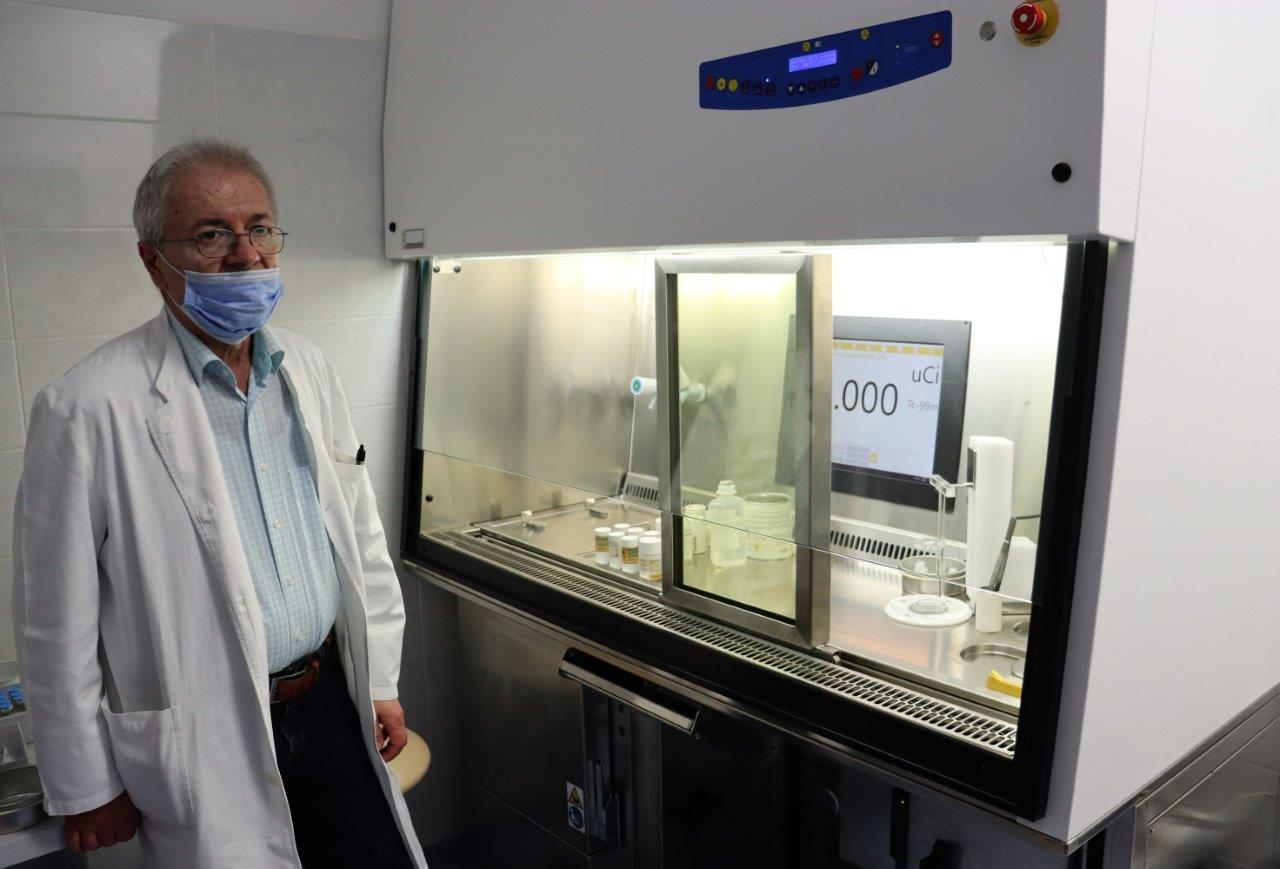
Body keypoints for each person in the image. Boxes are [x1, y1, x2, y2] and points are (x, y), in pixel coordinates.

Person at [11, 139, 426, 868]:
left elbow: (361, 537)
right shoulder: (86, 406)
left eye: (260, 228)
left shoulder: (308, 368)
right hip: (210, 728)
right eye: (211, 235)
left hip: (331, 700)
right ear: (153, 262)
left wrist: (381, 681)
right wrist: (84, 782)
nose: (246, 255)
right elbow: (54, 621)